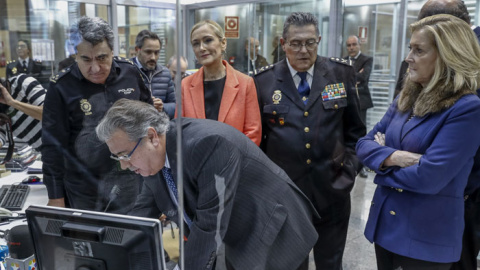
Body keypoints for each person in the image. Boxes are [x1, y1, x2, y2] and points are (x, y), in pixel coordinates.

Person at [96, 98, 319, 270]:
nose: (124, 166)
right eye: (118, 157)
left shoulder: (208, 144)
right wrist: (110, 252)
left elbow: (210, 224)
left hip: (272, 227)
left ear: (152, 136)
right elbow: (141, 213)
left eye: (125, 155)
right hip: (231, 237)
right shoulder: (152, 160)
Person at [356, 14, 480, 269]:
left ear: (447, 56)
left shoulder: (467, 108)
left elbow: (429, 177)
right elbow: (363, 144)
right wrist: (395, 158)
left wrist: (380, 163)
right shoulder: (408, 96)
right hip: (386, 229)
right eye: (410, 48)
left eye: (418, 50)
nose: (407, 58)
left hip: (425, 239)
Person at [253, 12, 365, 270]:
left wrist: (348, 172)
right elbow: (258, 142)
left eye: (310, 42)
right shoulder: (263, 82)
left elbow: (356, 132)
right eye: (295, 43)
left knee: (330, 263)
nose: (303, 50)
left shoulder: (340, 74)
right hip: (286, 196)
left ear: (319, 40)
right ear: (283, 44)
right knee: (290, 264)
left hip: (333, 192)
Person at [41, 16, 153, 213]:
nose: (95, 68)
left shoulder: (131, 74)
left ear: (112, 51)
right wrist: (55, 197)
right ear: (76, 55)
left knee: (134, 238)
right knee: (89, 240)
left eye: (102, 58)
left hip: (131, 179)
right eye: (86, 59)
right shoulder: (61, 87)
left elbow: (152, 127)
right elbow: (52, 147)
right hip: (84, 187)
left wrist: (156, 185)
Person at [179, 20, 262, 146]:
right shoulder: (185, 84)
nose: (201, 48)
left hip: (234, 162)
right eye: (196, 44)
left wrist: (231, 163)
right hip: (196, 162)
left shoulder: (245, 84)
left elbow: (253, 134)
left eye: (208, 40)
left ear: (223, 43)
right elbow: (180, 131)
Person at [344, 35, 374, 178]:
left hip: (361, 101)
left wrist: (351, 77)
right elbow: (343, 78)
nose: (351, 48)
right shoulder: (343, 60)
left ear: (359, 45)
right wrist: (356, 75)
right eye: (349, 45)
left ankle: (361, 163)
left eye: (354, 44)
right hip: (345, 101)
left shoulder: (367, 59)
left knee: (360, 131)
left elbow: (364, 77)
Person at [132, 30, 176, 119]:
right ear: (137, 50)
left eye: (157, 52)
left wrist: (162, 107)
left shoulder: (165, 73)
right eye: (148, 52)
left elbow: (175, 106)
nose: (153, 57)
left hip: (159, 127)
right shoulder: (125, 70)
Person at [0, 74, 44, 150]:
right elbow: (1, 136)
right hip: (45, 151)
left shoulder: (22, 82)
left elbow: (49, 114)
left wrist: (12, 102)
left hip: (65, 142)